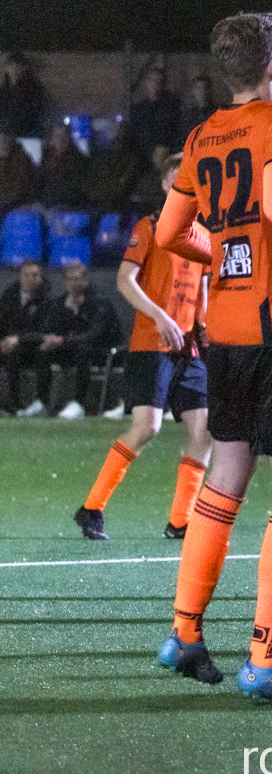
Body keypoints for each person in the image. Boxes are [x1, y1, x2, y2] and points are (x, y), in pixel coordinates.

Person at [152, 11, 272, 707]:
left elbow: (169, 231)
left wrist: (222, 255)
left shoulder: (201, 135)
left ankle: (184, 631)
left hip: (226, 330)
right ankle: (267, 660)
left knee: (226, 474)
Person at [72, 155, 211, 542]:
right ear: (166, 185)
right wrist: (160, 317)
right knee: (147, 426)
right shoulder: (150, 227)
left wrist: (205, 326)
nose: (186, 185)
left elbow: (202, 287)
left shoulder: (205, 233)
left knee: (203, 431)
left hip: (189, 348)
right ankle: (92, 507)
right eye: (178, 178)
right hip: (152, 343)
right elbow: (124, 280)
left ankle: (180, 521)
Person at [40, 262, 124, 419]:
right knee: (44, 351)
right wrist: (51, 339)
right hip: (71, 347)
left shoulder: (99, 302)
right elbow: (50, 328)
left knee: (83, 350)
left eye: (77, 279)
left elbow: (95, 334)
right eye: (70, 279)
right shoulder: (60, 303)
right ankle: (42, 402)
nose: (74, 283)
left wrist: (63, 340)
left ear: (85, 280)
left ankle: (78, 403)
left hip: (101, 351)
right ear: (64, 282)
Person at [0, 260, 53, 415]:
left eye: (35, 275)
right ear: (20, 277)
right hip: (8, 344)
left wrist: (19, 339)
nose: (31, 279)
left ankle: (22, 404)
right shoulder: (9, 297)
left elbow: (45, 331)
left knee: (32, 354)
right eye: (26, 275)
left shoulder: (48, 302)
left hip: (32, 347)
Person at [129, 62, 183, 164]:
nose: (155, 84)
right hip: (142, 159)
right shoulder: (138, 110)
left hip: (165, 158)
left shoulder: (171, 108)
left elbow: (176, 134)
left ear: (163, 84)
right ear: (146, 83)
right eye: (152, 81)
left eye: (159, 81)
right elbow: (133, 136)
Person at [40, 122, 90, 211]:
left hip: (71, 209)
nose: (61, 139)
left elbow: (78, 191)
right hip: (48, 209)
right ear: (52, 139)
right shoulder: (45, 161)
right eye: (57, 136)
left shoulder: (80, 162)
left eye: (64, 136)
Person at [0, 128, 38, 215]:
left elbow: (23, 188)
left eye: (6, 137)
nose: (3, 141)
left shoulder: (22, 160)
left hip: (16, 209)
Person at [180, 74, 219, 140]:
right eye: (198, 89)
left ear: (210, 91)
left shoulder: (217, 113)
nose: (202, 91)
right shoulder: (188, 116)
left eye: (205, 88)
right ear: (194, 92)